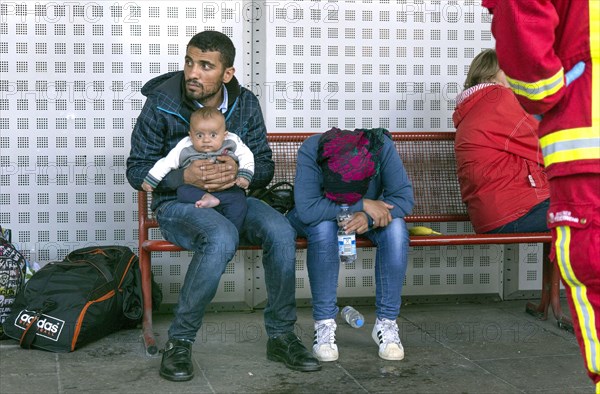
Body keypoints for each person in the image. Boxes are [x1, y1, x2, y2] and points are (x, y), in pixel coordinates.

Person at [126, 30, 320, 382]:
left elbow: (264, 165)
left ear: (226, 73)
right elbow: (137, 169)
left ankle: (281, 336)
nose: (192, 73)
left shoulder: (245, 103)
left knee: (280, 230)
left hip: (234, 199)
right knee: (220, 237)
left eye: (205, 66)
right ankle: (179, 343)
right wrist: (183, 177)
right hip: (177, 205)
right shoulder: (161, 102)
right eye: (189, 62)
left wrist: (240, 172)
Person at [483, 0, 600, 389]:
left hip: (586, 161)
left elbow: (537, 81)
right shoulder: (494, 107)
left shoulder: (493, 105)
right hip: (510, 212)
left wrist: (557, 91)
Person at [286, 128, 414, 362]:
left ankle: (386, 323)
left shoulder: (381, 147)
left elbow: (403, 198)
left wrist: (369, 218)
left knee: (396, 229)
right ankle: (324, 324)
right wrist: (361, 204)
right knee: (324, 229)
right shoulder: (312, 148)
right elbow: (308, 209)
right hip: (320, 215)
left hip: (363, 217)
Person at [453, 49, 550, 234]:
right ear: (492, 74)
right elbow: (545, 145)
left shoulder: (475, 106)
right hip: (515, 212)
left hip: (496, 213)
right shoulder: (498, 100)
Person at [142, 107, 254, 231]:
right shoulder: (185, 146)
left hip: (227, 190)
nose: (206, 140)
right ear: (191, 135)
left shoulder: (232, 142)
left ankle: (234, 230)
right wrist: (152, 179)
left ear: (224, 135)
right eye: (199, 135)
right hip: (197, 190)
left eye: (213, 135)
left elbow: (247, 155)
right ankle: (206, 198)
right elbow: (166, 162)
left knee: (239, 200)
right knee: (182, 191)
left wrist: (244, 175)